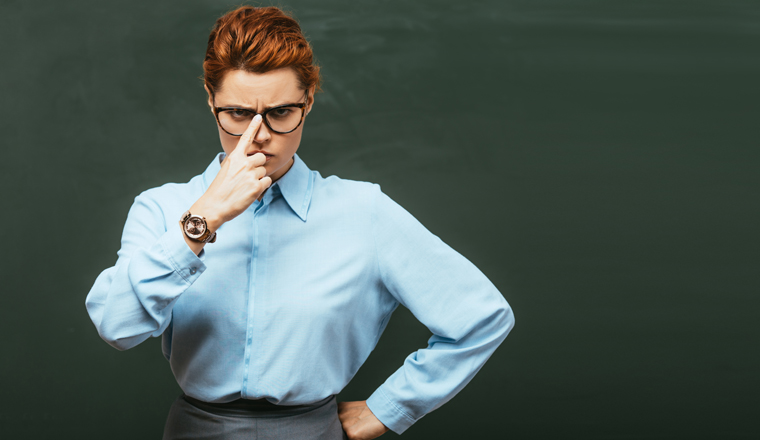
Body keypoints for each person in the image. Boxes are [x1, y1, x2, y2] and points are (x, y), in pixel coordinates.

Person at [84, 5, 515, 440]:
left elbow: (481, 317)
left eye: (281, 112)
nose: (259, 135)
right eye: (236, 114)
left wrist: (389, 409)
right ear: (211, 102)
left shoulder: (364, 211)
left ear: (308, 103)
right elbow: (117, 326)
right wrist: (205, 216)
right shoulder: (162, 208)